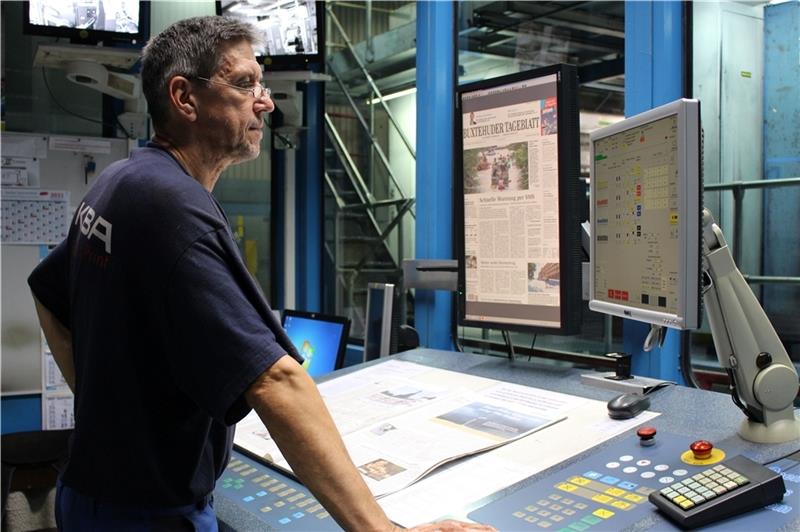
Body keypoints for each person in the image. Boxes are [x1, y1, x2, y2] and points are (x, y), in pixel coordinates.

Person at [28, 15, 495, 532]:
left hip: (91, 493)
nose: (266, 102)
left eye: (263, 83)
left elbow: (46, 293)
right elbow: (276, 378)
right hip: (149, 515)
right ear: (185, 98)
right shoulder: (175, 207)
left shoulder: (121, 180)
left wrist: (103, 412)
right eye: (245, 83)